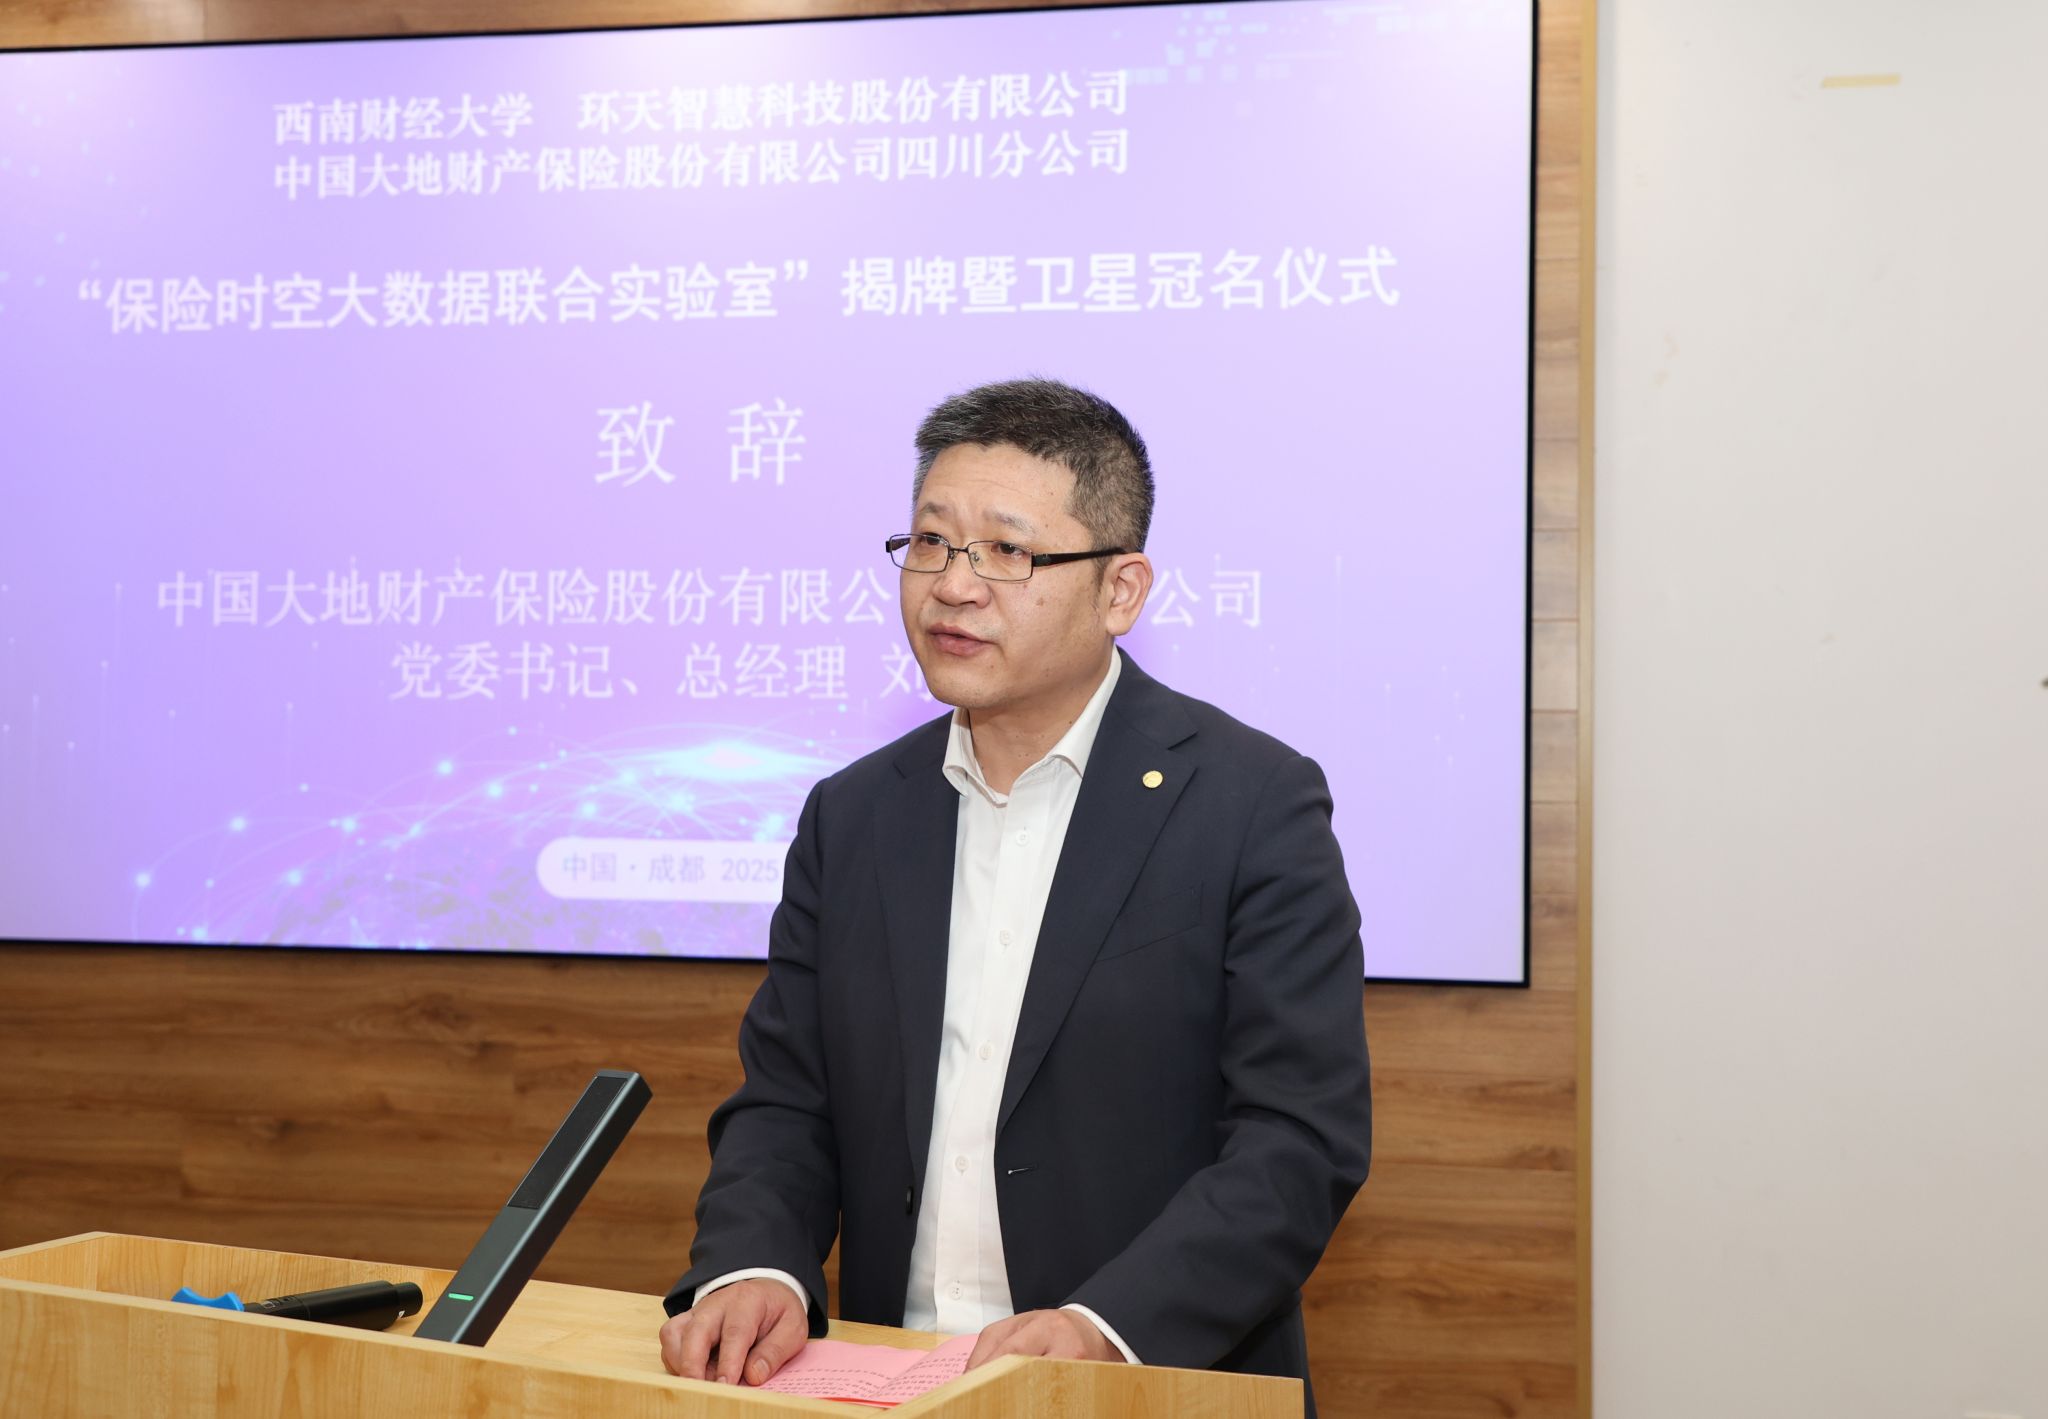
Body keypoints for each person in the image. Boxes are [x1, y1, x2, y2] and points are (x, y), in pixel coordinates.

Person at [658, 378, 1370, 1410]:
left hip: (1147, 1385)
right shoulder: (853, 815)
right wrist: (755, 1265)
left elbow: (1296, 1139)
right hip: (892, 1381)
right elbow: (787, 1101)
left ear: (1120, 591)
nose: (953, 585)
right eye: (931, 542)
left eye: (1006, 550)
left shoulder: (1251, 803)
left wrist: (1103, 1326)